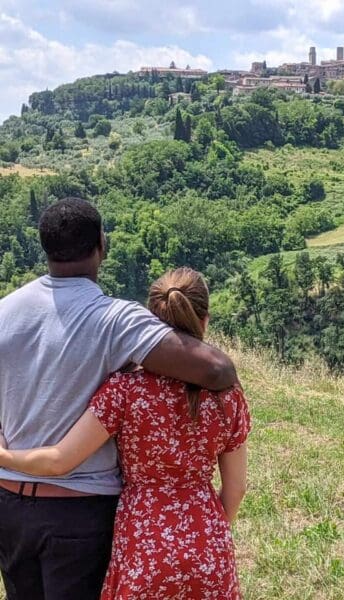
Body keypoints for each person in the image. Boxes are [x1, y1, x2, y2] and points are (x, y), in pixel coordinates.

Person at [0, 198, 238, 600]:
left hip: (9, 505)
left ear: (45, 247)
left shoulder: (5, 310)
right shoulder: (114, 319)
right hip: (79, 512)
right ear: (101, 246)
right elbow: (217, 370)